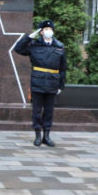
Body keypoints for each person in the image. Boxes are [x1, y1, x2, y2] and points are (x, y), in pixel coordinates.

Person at [14, 19, 67, 147]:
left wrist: (61, 85)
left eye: (50, 29)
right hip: (38, 81)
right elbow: (18, 49)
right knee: (37, 111)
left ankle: (46, 136)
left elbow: (63, 68)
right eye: (46, 29)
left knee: (49, 111)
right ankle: (38, 135)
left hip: (53, 82)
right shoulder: (34, 45)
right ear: (41, 32)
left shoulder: (59, 46)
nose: (49, 31)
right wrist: (28, 37)